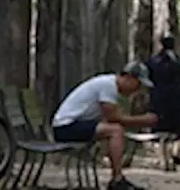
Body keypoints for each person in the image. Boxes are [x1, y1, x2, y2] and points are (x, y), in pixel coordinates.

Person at [51, 62, 157, 190]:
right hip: (66, 127)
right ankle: (117, 179)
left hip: (72, 125)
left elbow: (110, 118)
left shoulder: (108, 84)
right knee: (115, 130)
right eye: (138, 84)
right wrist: (142, 120)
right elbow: (114, 117)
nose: (137, 89)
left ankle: (117, 176)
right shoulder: (109, 86)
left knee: (113, 129)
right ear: (129, 78)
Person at [146, 35, 180, 165]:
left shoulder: (153, 61)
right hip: (175, 97)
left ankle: (161, 158)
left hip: (158, 96)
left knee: (159, 128)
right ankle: (171, 155)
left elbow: (149, 76)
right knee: (174, 128)